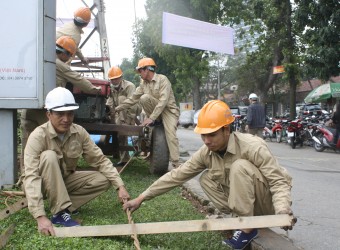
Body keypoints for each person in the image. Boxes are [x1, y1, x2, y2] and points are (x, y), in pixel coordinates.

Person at [123, 100, 295, 250]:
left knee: (239, 167)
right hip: (245, 204)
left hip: (266, 204)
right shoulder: (206, 152)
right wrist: (141, 197)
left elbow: (278, 181)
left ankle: (246, 229)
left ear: (226, 130)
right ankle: (240, 219)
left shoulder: (252, 146)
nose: (206, 141)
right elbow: (176, 175)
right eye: (203, 135)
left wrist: (282, 210)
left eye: (212, 135)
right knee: (205, 178)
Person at [20, 87, 130, 236]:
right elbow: (31, 176)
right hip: (41, 185)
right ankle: (59, 213)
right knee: (49, 156)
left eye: (70, 113)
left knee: (104, 179)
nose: (66, 119)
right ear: (49, 114)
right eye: (60, 114)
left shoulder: (79, 132)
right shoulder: (38, 136)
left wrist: (120, 186)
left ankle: (64, 207)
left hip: (64, 180)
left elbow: (100, 160)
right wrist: (40, 216)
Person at [20, 36, 100, 173]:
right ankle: (58, 175)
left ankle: (25, 175)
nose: (69, 59)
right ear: (64, 53)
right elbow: (77, 78)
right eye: (70, 56)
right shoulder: (57, 63)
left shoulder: (40, 58)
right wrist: (95, 89)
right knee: (53, 142)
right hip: (46, 110)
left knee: (28, 145)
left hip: (28, 109)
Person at [115, 58, 180, 169]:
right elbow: (133, 99)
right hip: (155, 112)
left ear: (147, 69)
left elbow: (163, 101)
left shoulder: (163, 80)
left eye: (140, 71)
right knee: (144, 98)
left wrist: (151, 118)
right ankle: (155, 125)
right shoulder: (143, 84)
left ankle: (176, 164)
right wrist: (117, 108)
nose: (139, 74)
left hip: (168, 111)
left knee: (171, 135)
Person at [106, 66, 141, 166]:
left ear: (121, 77)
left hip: (132, 111)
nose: (114, 81)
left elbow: (132, 103)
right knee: (119, 133)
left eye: (116, 78)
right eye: (112, 79)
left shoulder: (130, 86)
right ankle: (124, 158)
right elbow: (110, 104)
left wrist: (129, 120)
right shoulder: (111, 89)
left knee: (121, 99)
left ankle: (123, 123)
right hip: (120, 113)